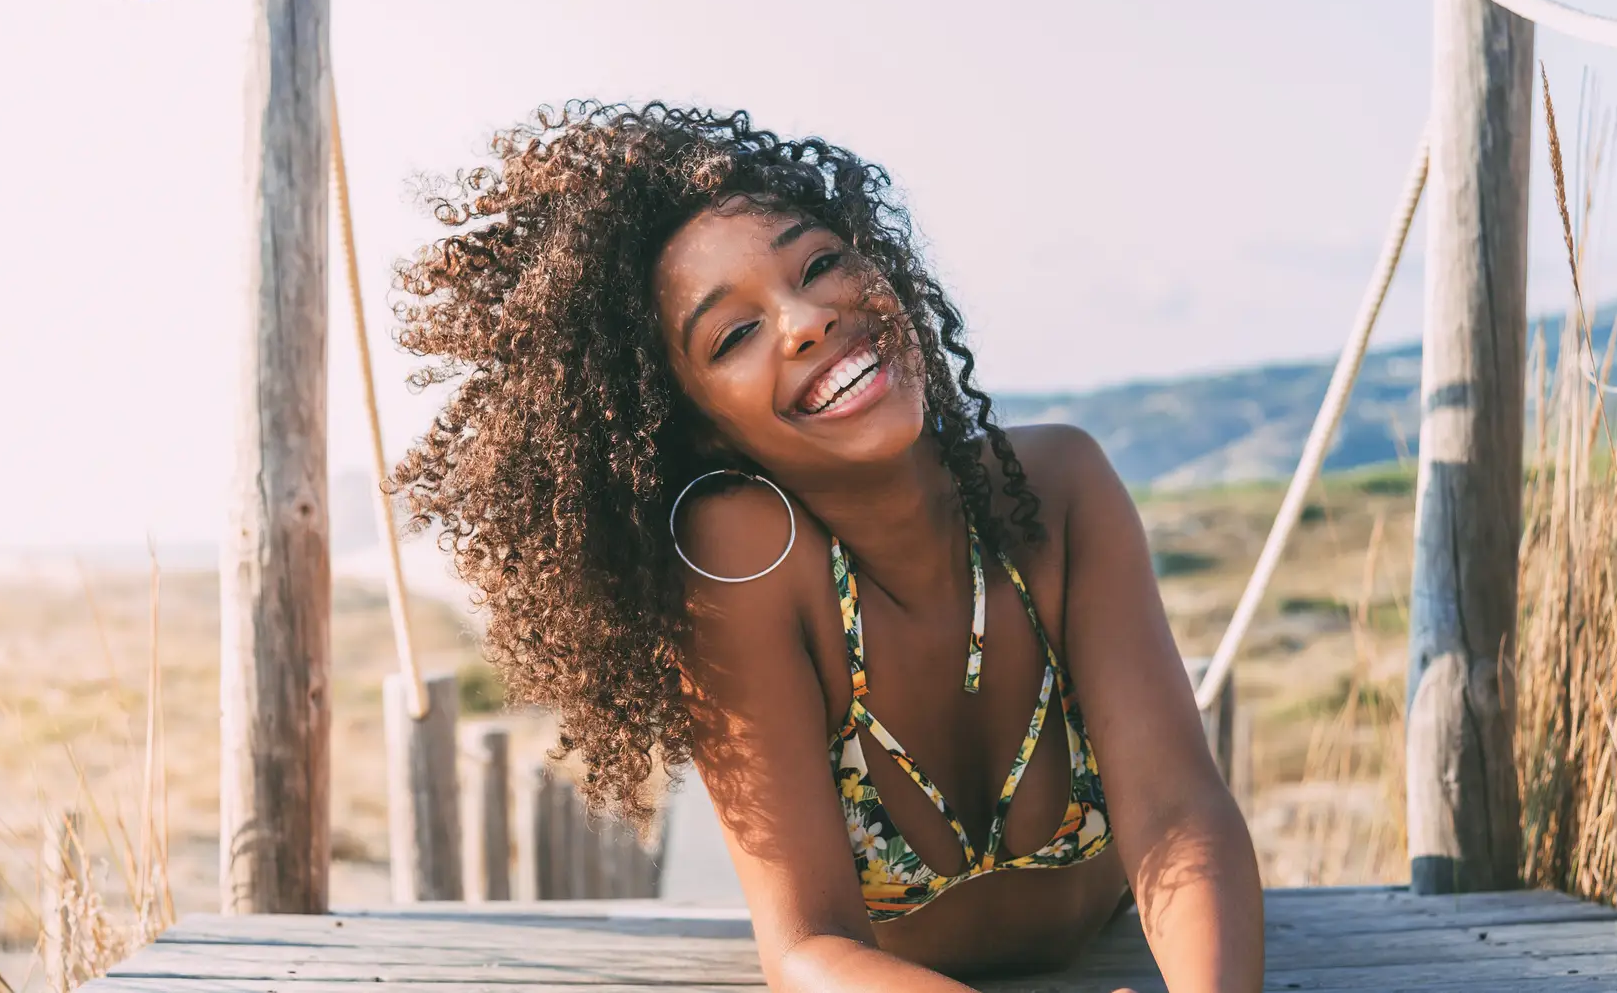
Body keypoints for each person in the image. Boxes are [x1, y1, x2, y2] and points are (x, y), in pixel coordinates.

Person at [392, 102, 1263, 991]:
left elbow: (1179, 811)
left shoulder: (1057, 489)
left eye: (819, 263)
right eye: (733, 335)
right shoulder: (745, 564)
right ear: (697, 433)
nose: (804, 318)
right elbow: (805, 947)